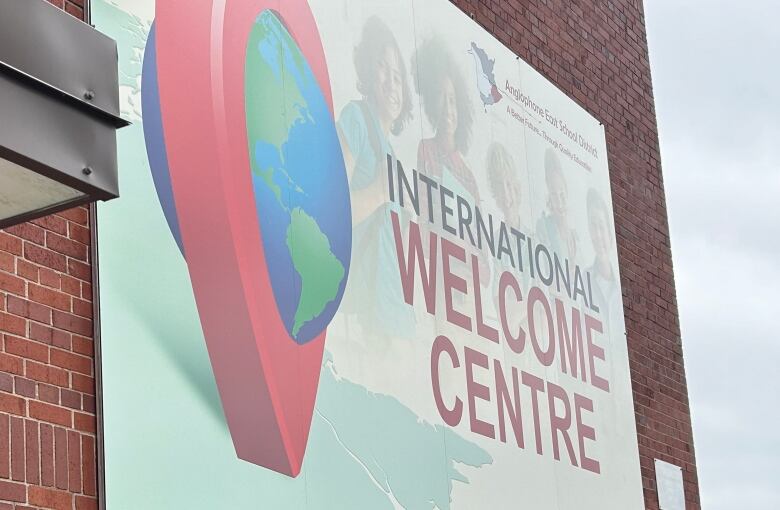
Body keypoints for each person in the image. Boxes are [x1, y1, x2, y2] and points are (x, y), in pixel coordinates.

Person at [336, 16, 415, 341]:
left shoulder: (394, 157)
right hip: (368, 318)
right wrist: (380, 191)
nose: (392, 83)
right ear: (369, 69)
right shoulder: (355, 119)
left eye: (398, 77)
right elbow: (330, 213)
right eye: (383, 68)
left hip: (399, 321)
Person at [413, 37, 479, 203]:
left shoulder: (469, 176)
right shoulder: (426, 149)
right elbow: (423, 209)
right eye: (441, 99)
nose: (448, 110)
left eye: (452, 100)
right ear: (432, 105)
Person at [586, 188, 623, 338]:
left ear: (609, 231)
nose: (598, 235)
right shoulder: (582, 281)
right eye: (593, 227)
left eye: (601, 226)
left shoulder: (621, 288)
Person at [535, 149, 578, 266]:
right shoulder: (544, 227)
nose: (559, 203)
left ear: (567, 191)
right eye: (554, 195)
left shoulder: (575, 236)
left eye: (562, 194)